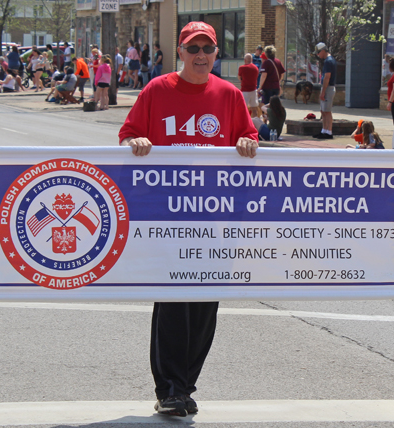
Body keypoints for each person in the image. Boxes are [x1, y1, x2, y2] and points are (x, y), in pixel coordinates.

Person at [118, 20, 258, 418]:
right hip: (167, 218)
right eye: (193, 48)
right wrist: (137, 142)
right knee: (174, 303)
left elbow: (248, 138)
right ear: (180, 51)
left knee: (204, 307)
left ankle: (187, 384)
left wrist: (248, 142)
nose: (201, 55)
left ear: (216, 54)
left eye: (207, 49)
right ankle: (170, 388)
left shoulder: (229, 95)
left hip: (216, 220)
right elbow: (127, 134)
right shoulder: (157, 90)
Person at [313, 42, 336, 139]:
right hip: (327, 87)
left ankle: (328, 132)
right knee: (323, 110)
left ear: (323, 50)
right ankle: (324, 130)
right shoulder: (328, 60)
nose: (318, 55)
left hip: (328, 88)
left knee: (327, 111)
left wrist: (323, 92)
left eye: (319, 52)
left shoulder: (328, 61)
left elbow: (327, 77)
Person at [238, 53, 260, 118]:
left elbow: (239, 77)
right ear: (252, 60)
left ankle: (244, 122)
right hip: (253, 90)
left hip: (245, 91)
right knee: (254, 108)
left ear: (245, 60)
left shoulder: (242, 68)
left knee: (243, 108)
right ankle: (254, 123)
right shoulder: (256, 68)